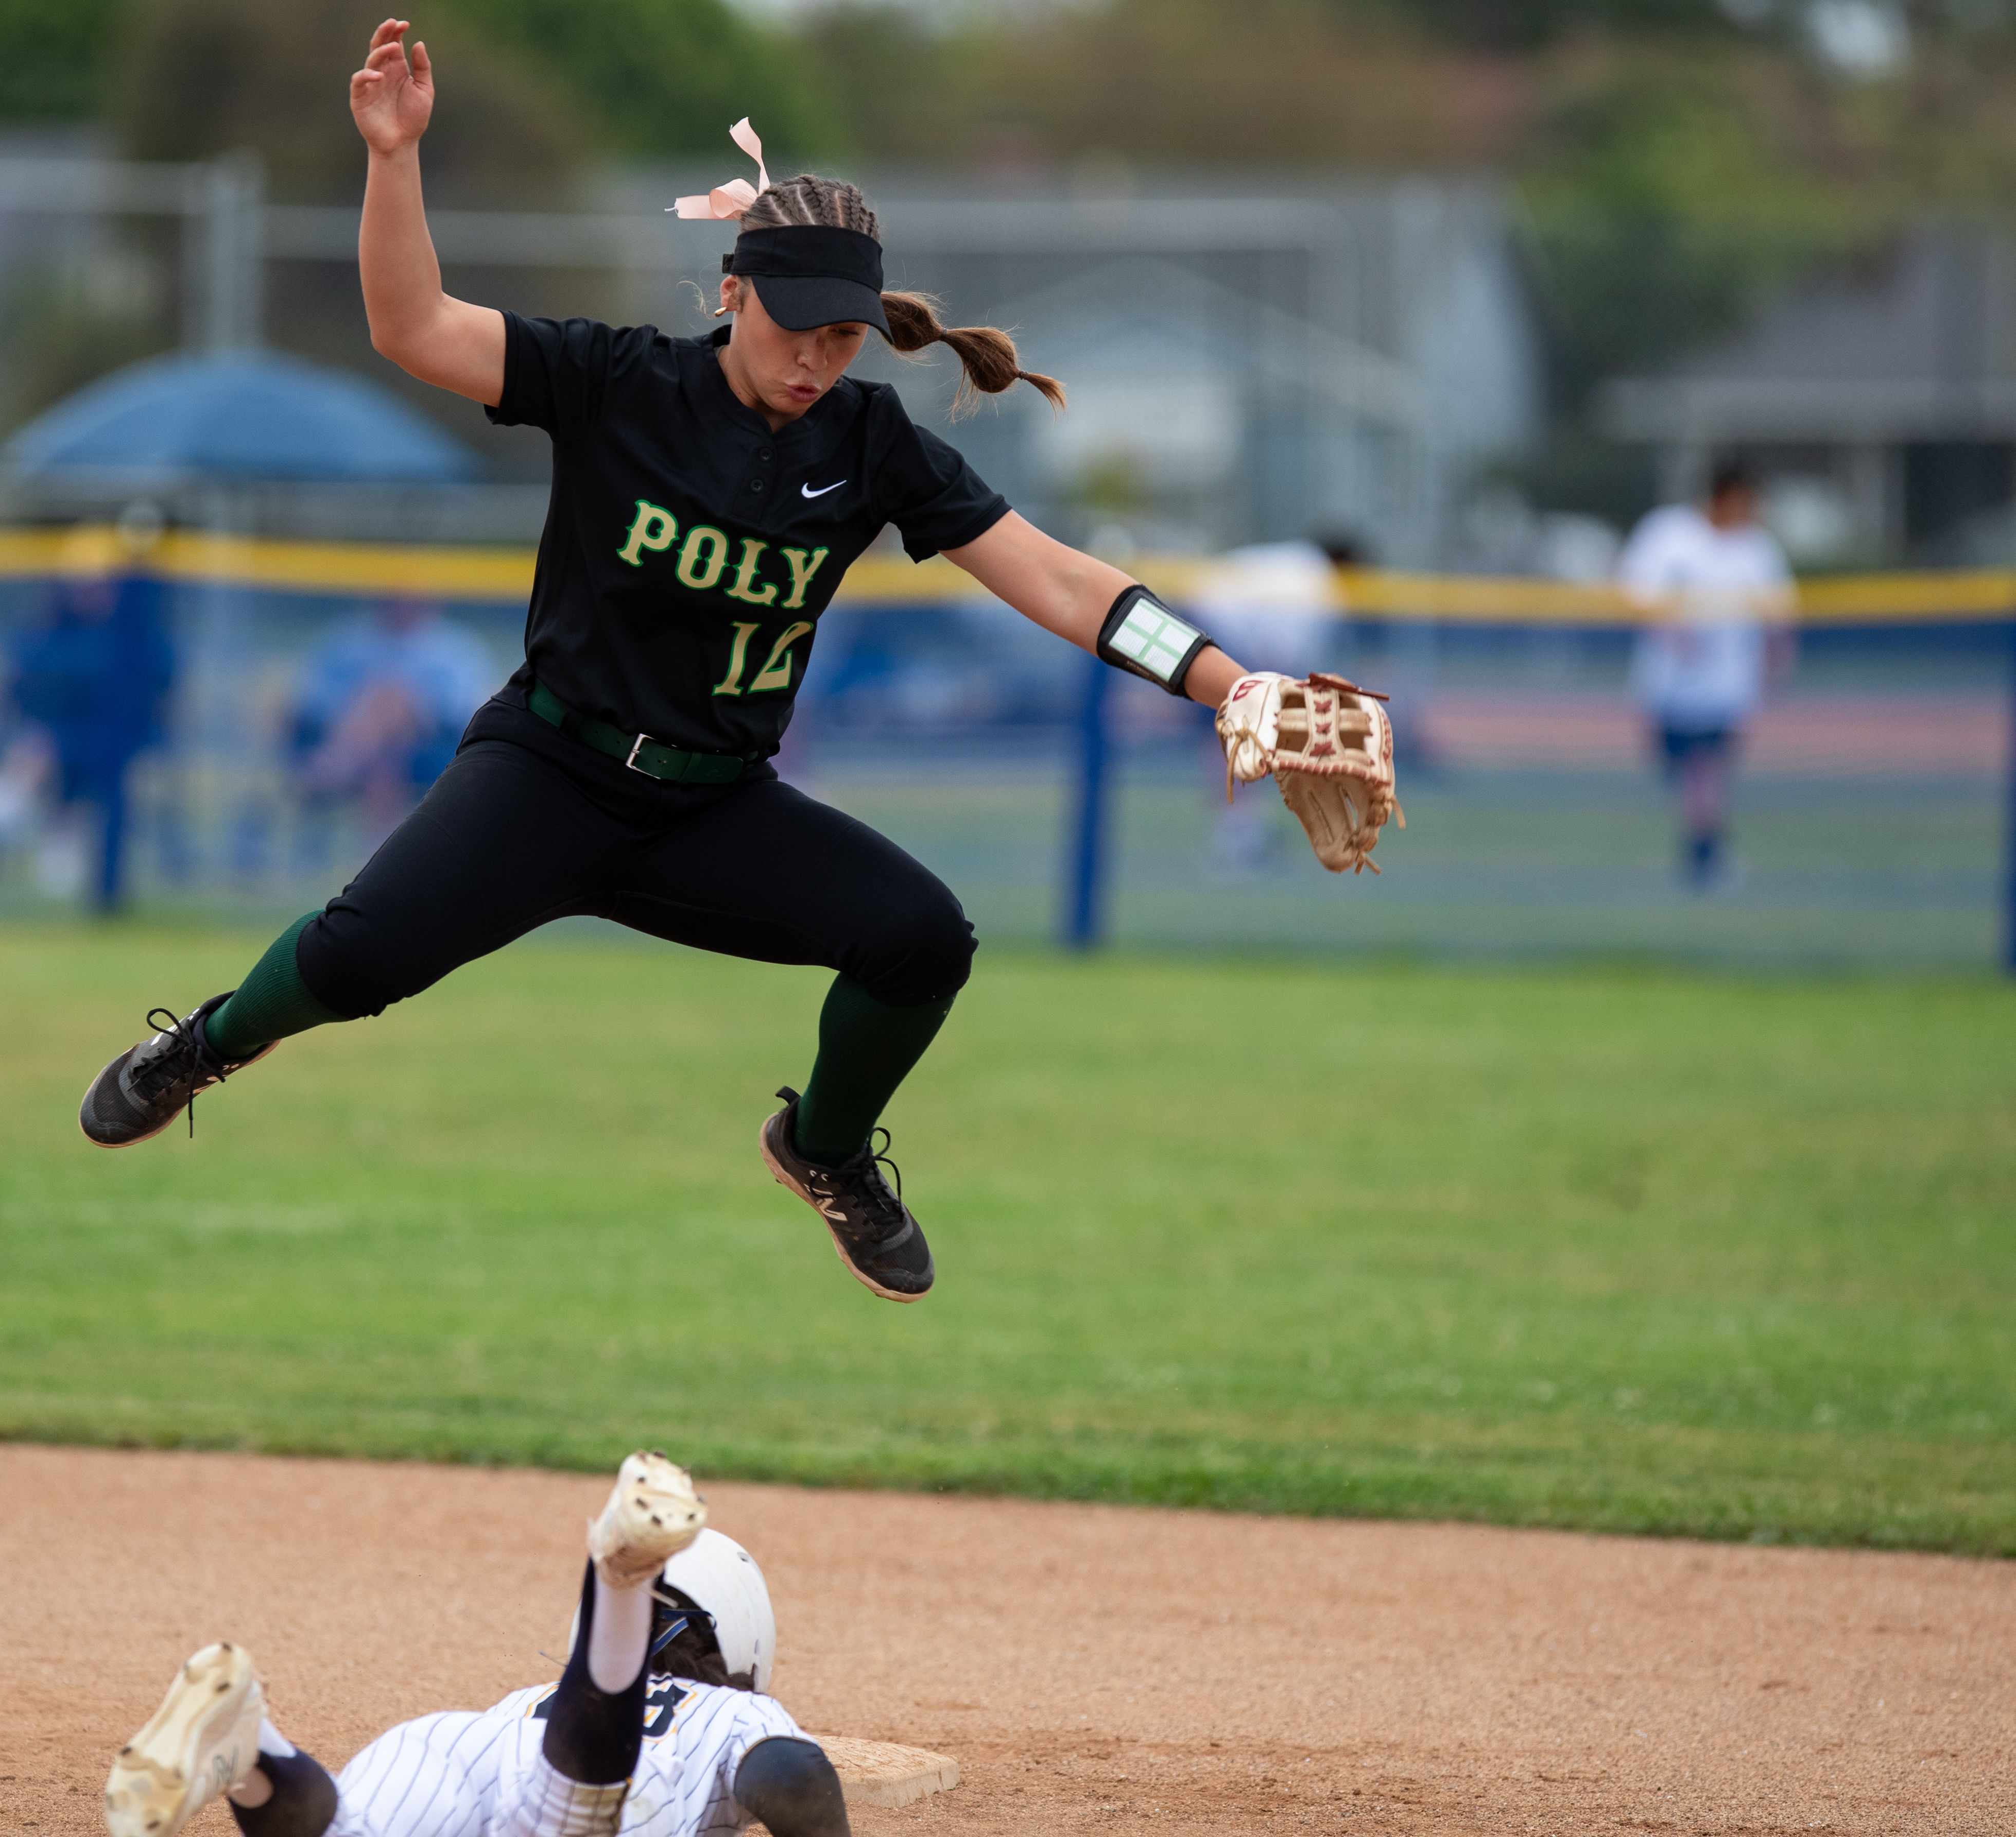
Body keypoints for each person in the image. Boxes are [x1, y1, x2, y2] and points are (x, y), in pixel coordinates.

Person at [77, 21, 1283, 1306]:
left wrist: (1232, 683)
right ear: (730, 292)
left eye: (844, 335)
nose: (818, 355)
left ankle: (820, 1152)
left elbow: (1061, 578)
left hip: (712, 802)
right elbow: (412, 326)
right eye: (797, 325)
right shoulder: (618, 382)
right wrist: (392, 158)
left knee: (920, 937)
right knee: (357, 961)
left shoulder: (870, 443)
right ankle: (202, 1044)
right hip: (547, 768)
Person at [102, 1451, 854, 1837]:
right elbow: (791, 1773)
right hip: (587, 1784)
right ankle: (620, 1578)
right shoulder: (731, 1714)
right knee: (576, 1810)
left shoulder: (529, 1699)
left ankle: (255, 1752)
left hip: (446, 1746)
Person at [1617, 461, 1796, 890]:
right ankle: (1702, 842)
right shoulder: (1668, 534)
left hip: (1727, 686)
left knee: (1708, 766)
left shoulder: (1757, 549)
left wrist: (1777, 663)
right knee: (1680, 769)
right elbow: (1634, 590)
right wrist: (1670, 629)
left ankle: (1705, 850)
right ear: (1724, 496)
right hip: (1669, 683)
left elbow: (1779, 617)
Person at [7, 524, 180, 915]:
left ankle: (84, 862)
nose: (92, 593)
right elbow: (24, 693)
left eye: (101, 584)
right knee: (41, 753)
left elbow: (162, 694)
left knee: (103, 779)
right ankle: (12, 818)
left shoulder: (141, 635)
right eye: (83, 585)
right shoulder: (48, 633)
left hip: (124, 742)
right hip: (60, 741)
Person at [1188, 535, 1360, 870]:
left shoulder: (1304, 562)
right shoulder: (1323, 587)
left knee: (1232, 735)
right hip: (1215, 623)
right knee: (1237, 734)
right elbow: (1285, 658)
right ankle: (1240, 836)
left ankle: (1241, 830)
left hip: (1206, 611)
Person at [288, 596, 497, 848]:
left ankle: (333, 769)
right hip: (357, 735)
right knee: (387, 748)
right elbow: (313, 701)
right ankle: (378, 846)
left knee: (392, 699)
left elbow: (461, 708)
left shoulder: (454, 646)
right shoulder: (348, 641)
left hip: (431, 742)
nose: (402, 606)